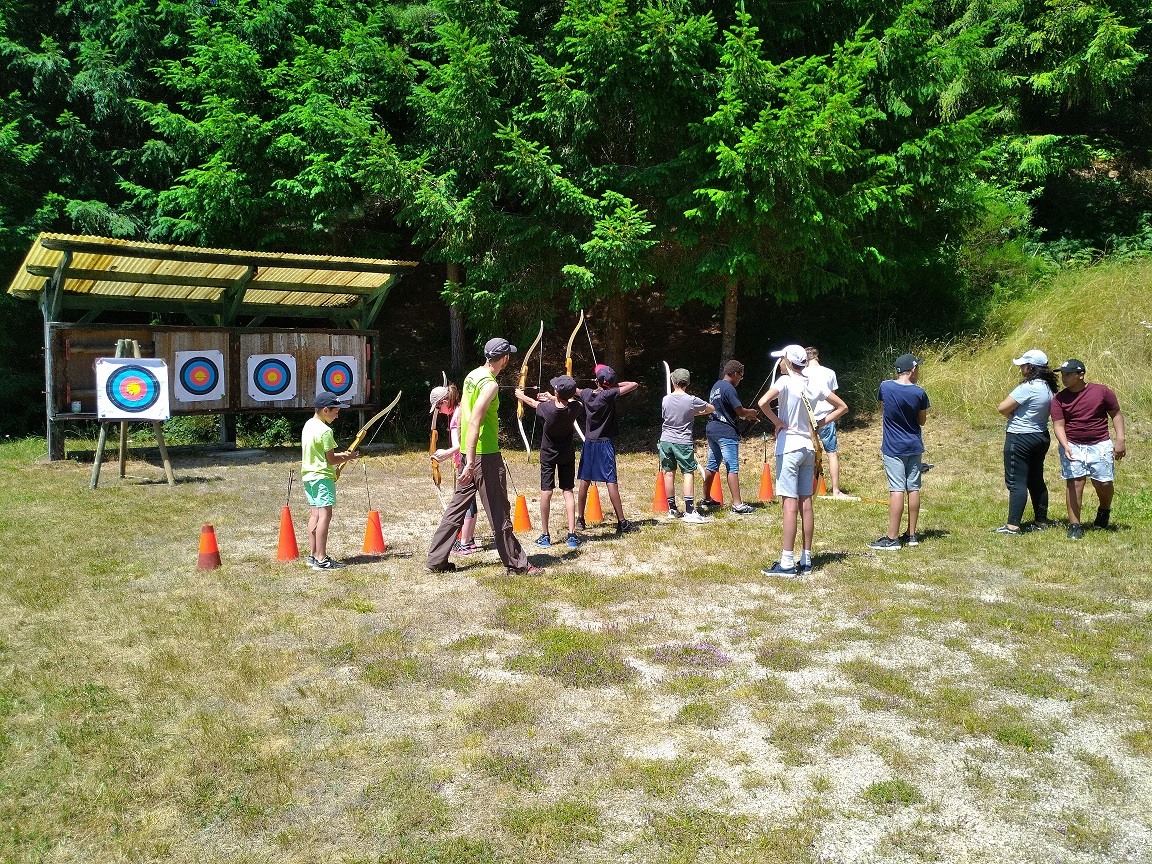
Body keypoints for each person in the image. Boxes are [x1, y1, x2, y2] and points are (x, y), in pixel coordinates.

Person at [427, 338, 542, 575]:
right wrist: (470, 462)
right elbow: (475, 421)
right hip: (483, 456)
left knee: (455, 510)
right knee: (499, 511)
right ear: (505, 358)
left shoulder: (472, 376)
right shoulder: (490, 385)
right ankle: (517, 565)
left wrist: (466, 460)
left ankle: (436, 560)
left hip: (469, 456)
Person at [757, 345, 848, 575]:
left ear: (788, 362)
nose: (779, 363)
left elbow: (762, 403)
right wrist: (820, 423)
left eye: (781, 360)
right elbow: (842, 407)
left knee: (789, 505)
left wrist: (777, 422)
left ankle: (787, 562)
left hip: (789, 447)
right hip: (809, 447)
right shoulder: (814, 383)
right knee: (805, 503)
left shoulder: (785, 381)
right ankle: (806, 559)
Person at [1051, 358, 1126, 539]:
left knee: (1104, 482)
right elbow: (1059, 425)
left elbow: (1115, 414)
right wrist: (1065, 445)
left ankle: (1104, 511)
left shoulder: (1102, 392)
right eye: (1062, 375)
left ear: (1081, 375)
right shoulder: (1059, 399)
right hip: (1073, 444)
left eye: (1069, 374)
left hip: (1100, 443)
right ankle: (1075, 525)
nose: (1064, 379)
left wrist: (1121, 439)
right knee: (1075, 483)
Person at [514, 374, 585, 549]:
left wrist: (520, 395)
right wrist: (555, 397)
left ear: (556, 391)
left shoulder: (548, 409)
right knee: (567, 491)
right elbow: (575, 402)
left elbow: (533, 403)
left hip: (548, 454)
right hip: (566, 454)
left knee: (546, 492)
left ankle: (545, 535)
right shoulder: (575, 407)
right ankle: (572, 535)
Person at [869, 353, 930, 551]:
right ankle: (911, 535)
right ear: (912, 369)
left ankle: (892, 538)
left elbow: (883, 409)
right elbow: (922, 421)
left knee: (896, 489)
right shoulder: (920, 393)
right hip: (914, 445)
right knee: (913, 488)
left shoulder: (885, 386)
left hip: (893, 447)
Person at [994, 350, 1058, 535]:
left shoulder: (1028, 387)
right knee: (1036, 479)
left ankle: (1013, 526)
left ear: (1031, 367)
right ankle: (1041, 521)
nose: (1021, 368)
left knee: (1016, 482)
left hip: (1020, 437)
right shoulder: (1049, 387)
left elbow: (1002, 407)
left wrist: (1010, 414)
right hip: (1040, 436)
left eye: (1023, 365)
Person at [576, 365, 640, 536]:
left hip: (589, 443)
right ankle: (622, 522)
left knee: (585, 480)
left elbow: (574, 389)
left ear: (596, 381)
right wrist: (613, 385)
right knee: (611, 481)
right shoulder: (609, 394)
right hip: (604, 444)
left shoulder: (588, 393)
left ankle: (580, 519)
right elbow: (633, 384)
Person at [301, 391, 360, 570]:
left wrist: (344, 455)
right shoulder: (326, 431)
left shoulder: (309, 425)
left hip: (309, 476)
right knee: (325, 516)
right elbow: (331, 460)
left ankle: (312, 555)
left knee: (315, 515)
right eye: (336, 410)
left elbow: (324, 455)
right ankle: (321, 558)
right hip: (322, 477)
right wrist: (348, 458)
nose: (337, 414)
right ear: (325, 410)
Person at [702, 360, 761, 514]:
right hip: (725, 432)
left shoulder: (716, 386)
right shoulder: (729, 388)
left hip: (712, 429)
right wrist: (751, 413)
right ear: (735, 374)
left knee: (712, 465)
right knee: (732, 467)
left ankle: (706, 498)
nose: (740, 380)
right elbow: (740, 411)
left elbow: (726, 411)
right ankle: (737, 504)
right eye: (740, 376)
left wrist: (746, 418)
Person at [429, 383, 480, 555]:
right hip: (469, 461)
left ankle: (464, 543)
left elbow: (461, 444)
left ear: (445, 401)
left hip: (465, 463)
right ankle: (469, 540)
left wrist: (446, 453)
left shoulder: (456, 418)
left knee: (465, 504)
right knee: (470, 502)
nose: (438, 410)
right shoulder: (462, 411)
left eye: (438, 406)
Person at [660, 367, 715, 524]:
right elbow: (711, 408)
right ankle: (690, 510)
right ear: (688, 383)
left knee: (669, 473)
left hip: (666, 440)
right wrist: (696, 412)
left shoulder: (666, 399)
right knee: (688, 472)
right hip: (682, 441)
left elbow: (665, 415)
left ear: (673, 381)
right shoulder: (691, 400)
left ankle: (672, 509)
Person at [805, 347, 850, 497]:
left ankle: (809, 488)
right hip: (827, 417)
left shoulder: (802, 373)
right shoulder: (830, 372)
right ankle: (836, 490)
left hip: (808, 418)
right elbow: (834, 398)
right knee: (832, 453)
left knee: (809, 453)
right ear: (817, 357)